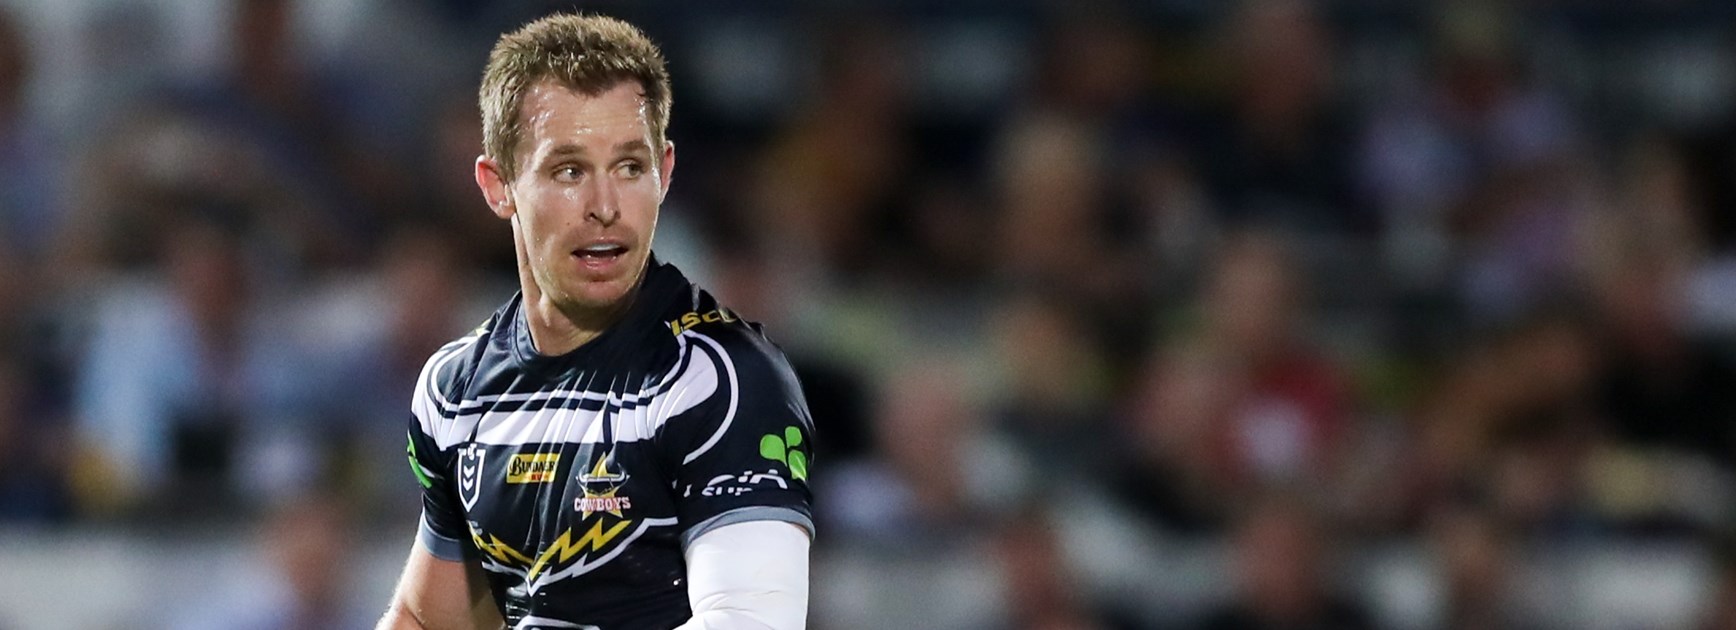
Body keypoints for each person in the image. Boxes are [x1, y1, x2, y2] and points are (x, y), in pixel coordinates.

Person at [376, 13, 814, 630]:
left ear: (664, 173)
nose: (606, 207)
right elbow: (427, 621)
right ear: (498, 186)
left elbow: (750, 623)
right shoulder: (457, 392)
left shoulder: (722, 379)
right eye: (570, 171)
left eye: (630, 167)